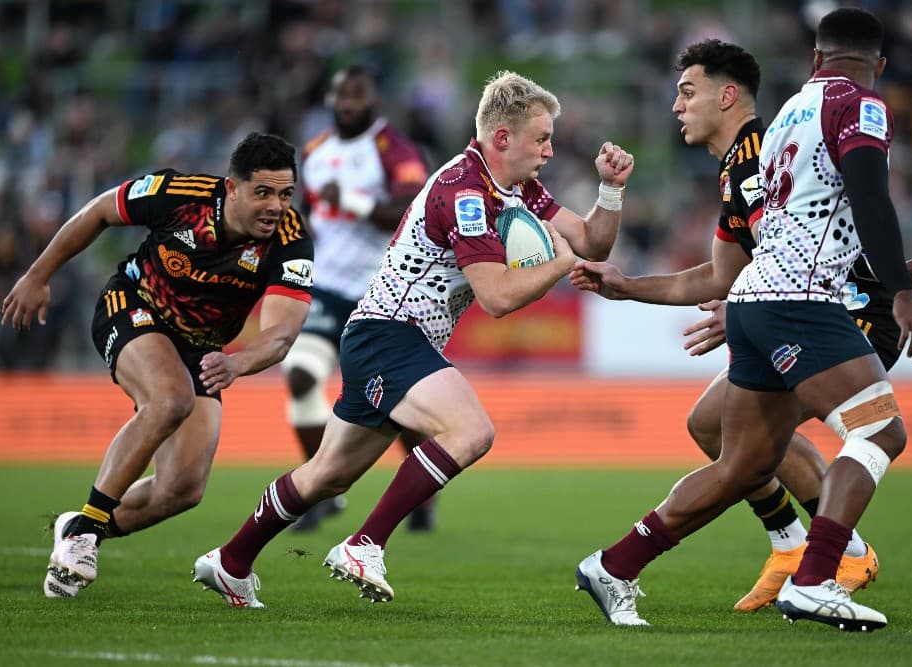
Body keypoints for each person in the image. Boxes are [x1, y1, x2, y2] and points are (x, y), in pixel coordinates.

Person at [192, 70, 635, 609]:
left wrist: (610, 190)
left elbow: (591, 241)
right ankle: (364, 544)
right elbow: (495, 298)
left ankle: (231, 561)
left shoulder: (514, 187)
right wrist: (558, 266)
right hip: (389, 336)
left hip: (386, 337)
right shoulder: (465, 193)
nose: (549, 150)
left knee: (327, 475)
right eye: (541, 137)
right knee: (470, 432)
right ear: (502, 138)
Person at [571, 8, 912, 631]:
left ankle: (615, 565)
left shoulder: (789, 115)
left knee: (739, 463)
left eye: (687, 91)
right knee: (879, 433)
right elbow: (863, 196)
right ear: (878, 66)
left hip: (768, 302)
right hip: (803, 303)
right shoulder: (860, 106)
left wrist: (879, 277)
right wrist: (899, 288)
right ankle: (821, 574)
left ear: (816, 60)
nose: (677, 105)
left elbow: (791, 231)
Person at [1, 132, 315, 599]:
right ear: (232, 188)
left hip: (202, 350)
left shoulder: (291, 242)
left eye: (285, 193)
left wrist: (239, 362)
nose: (275, 206)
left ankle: (79, 527)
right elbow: (99, 212)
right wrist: (37, 275)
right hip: (132, 305)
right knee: (170, 399)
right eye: (263, 192)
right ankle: (84, 533)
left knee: (182, 488)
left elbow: (282, 334)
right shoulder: (179, 195)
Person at [283, 64, 435, 532]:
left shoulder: (395, 150)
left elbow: (418, 214)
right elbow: (303, 220)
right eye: (341, 97)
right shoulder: (314, 151)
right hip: (327, 287)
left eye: (357, 96)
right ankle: (322, 486)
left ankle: (421, 490)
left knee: (399, 404)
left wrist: (354, 202)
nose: (348, 104)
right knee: (300, 375)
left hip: (384, 290)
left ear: (373, 101)